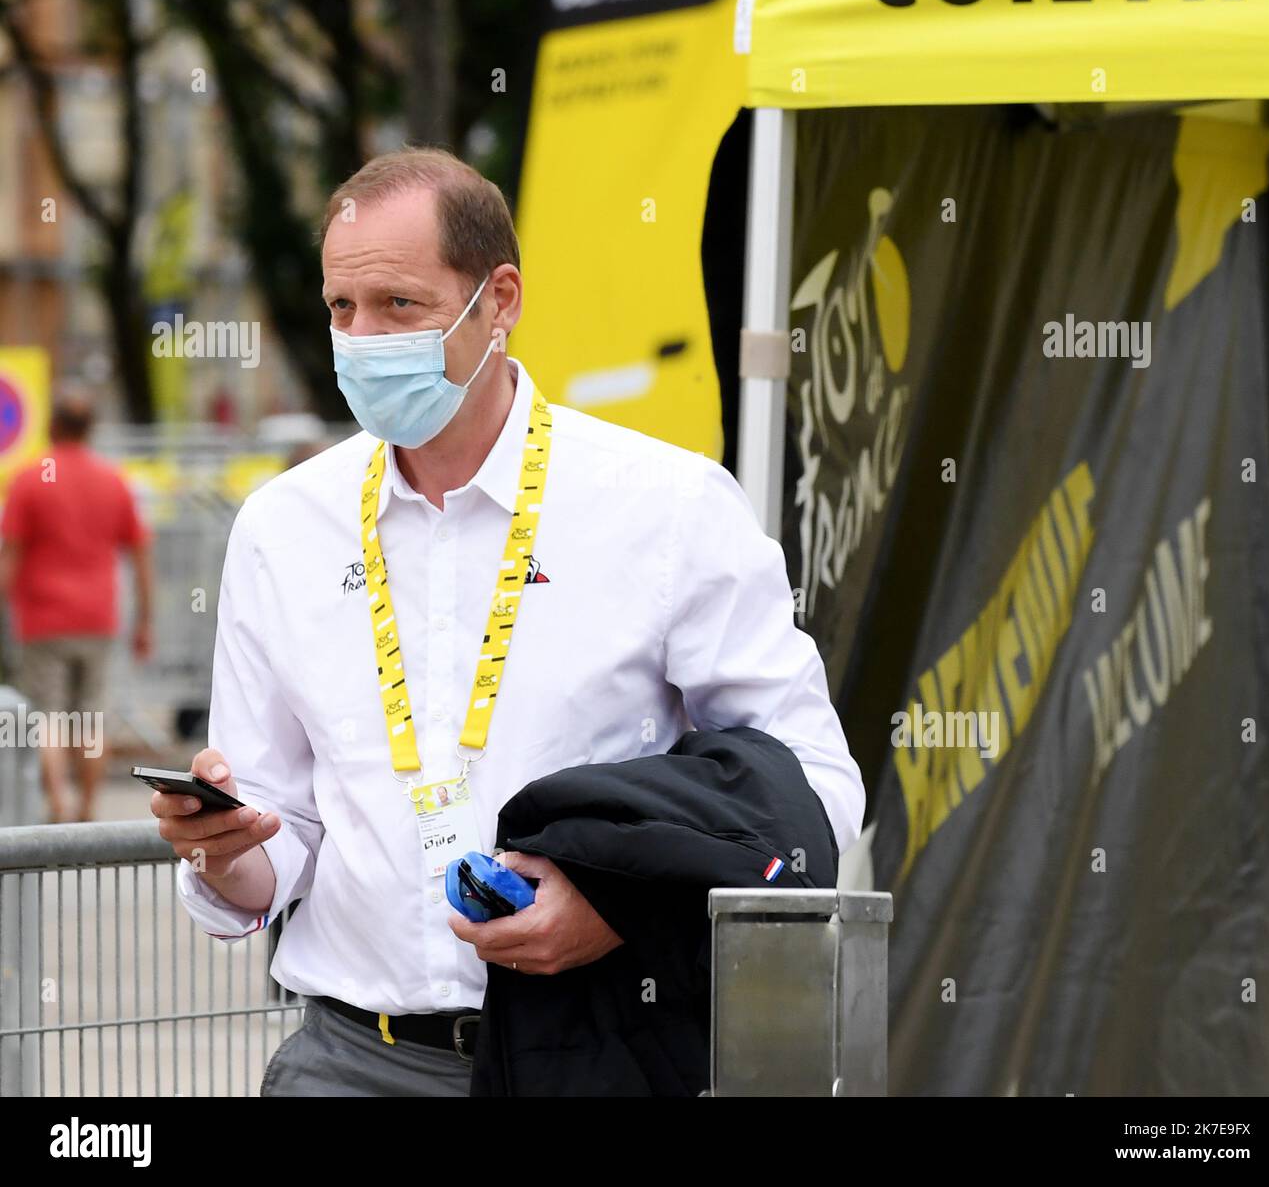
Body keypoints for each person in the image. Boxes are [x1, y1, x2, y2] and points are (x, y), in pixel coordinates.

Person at [154, 147, 866, 1097]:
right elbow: (282, 844)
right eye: (341, 309)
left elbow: (814, 784)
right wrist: (225, 852)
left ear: (500, 300)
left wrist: (621, 903)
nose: (362, 339)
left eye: (399, 305)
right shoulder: (283, 528)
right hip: (352, 1059)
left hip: (595, 1050)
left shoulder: (666, 506)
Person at [0, 386, 153, 822]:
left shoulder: (31, 479)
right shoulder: (112, 479)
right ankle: (87, 807)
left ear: (52, 425)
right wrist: (145, 620)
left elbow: (9, 553)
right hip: (99, 618)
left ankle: (59, 805)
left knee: (47, 716)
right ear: (91, 428)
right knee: (90, 717)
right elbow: (140, 555)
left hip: (43, 618)